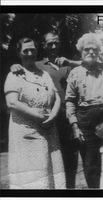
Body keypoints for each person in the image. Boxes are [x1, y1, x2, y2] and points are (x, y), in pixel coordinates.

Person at [9, 32, 81, 189]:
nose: (53, 46)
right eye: (49, 44)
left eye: (56, 43)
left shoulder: (68, 65)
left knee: (70, 162)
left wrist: (70, 61)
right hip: (47, 122)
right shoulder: (38, 66)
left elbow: (91, 64)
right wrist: (14, 65)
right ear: (43, 46)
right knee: (49, 163)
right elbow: (22, 70)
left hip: (69, 119)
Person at [65, 33, 103, 188]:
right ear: (81, 52)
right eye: (87, 49)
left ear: (98, 51)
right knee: (90, 163)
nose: (91, 52)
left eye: (94, 49)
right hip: (86, 120)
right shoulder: (75, 73)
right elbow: (69, 101)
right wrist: (75, 126)